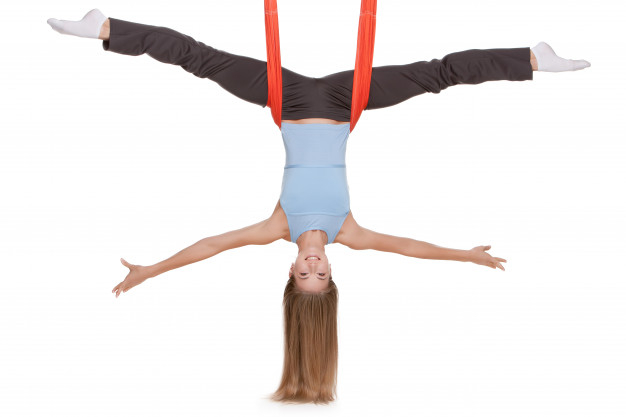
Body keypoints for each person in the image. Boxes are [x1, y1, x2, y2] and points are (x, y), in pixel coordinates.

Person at [47, 8, 590, 404]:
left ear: (291, 270)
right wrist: (467, 256)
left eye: (304, 273)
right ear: (331, 274)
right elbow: (409, 248)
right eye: (321, 274)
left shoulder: (277, 226)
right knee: (437, 74)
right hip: (342, 101)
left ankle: (107, 29)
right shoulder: (346, 230)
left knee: (199, 59)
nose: (313, 264)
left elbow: (209, 247)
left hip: (284, 98)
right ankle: (530, 60)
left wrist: (151, 270)